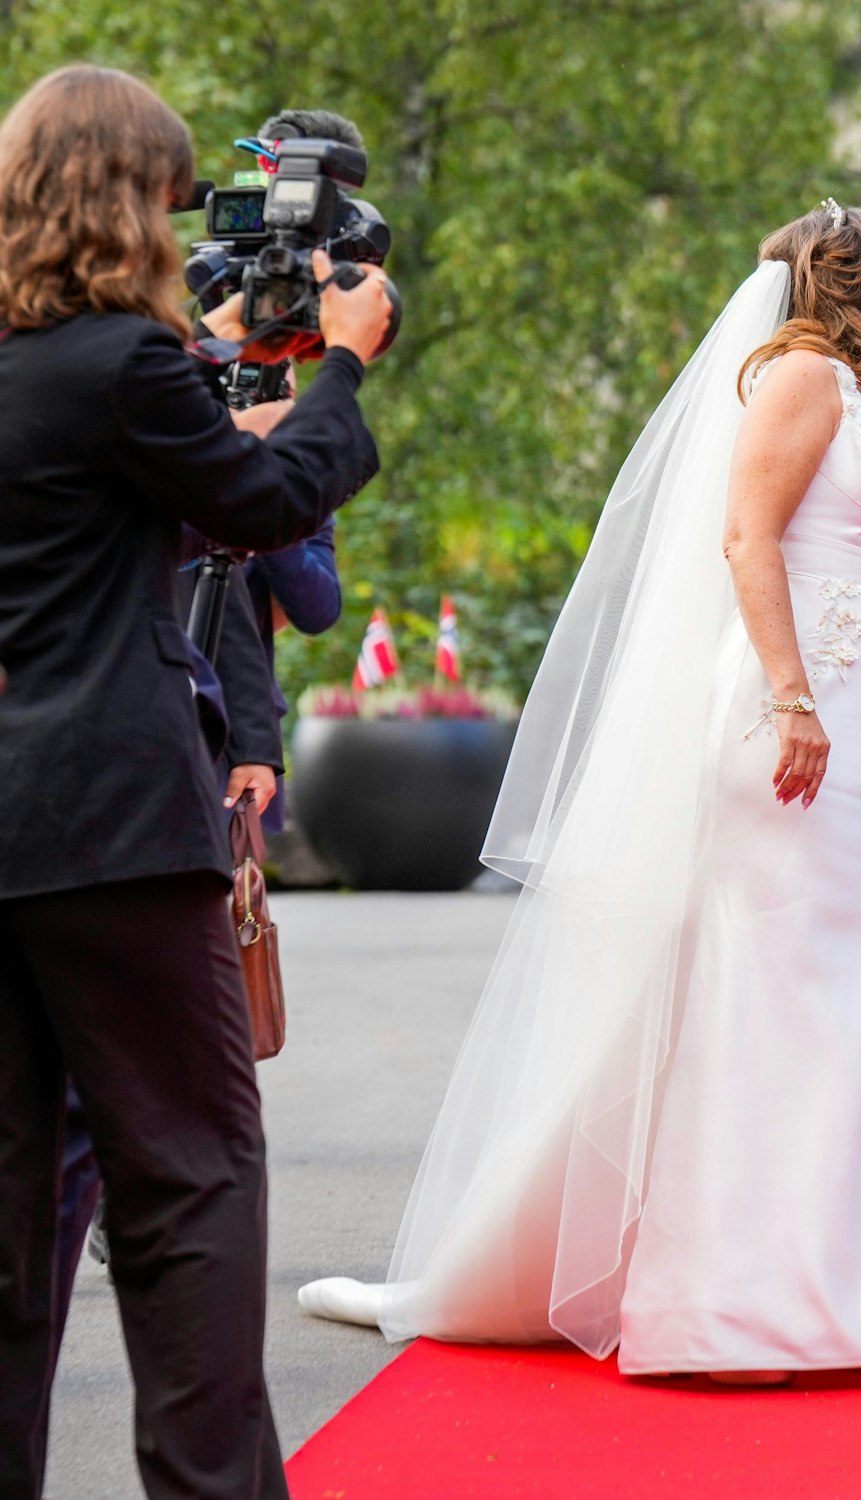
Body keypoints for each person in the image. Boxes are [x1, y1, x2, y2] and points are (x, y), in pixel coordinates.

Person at [300, 202, 861, 1381]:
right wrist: (791, 697)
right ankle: (737, 1304)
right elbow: (744, 539)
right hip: (792, 733)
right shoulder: (803, 380)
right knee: (773, 995)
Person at [0, 63, 390, 1500]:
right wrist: (343, 363)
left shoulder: (55, 363)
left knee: (15, 1216)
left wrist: (211, 360)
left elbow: (126, 490)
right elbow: (269, 506)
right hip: (112, 817)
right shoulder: (118, 363)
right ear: (127, 203)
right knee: (192, 1184)